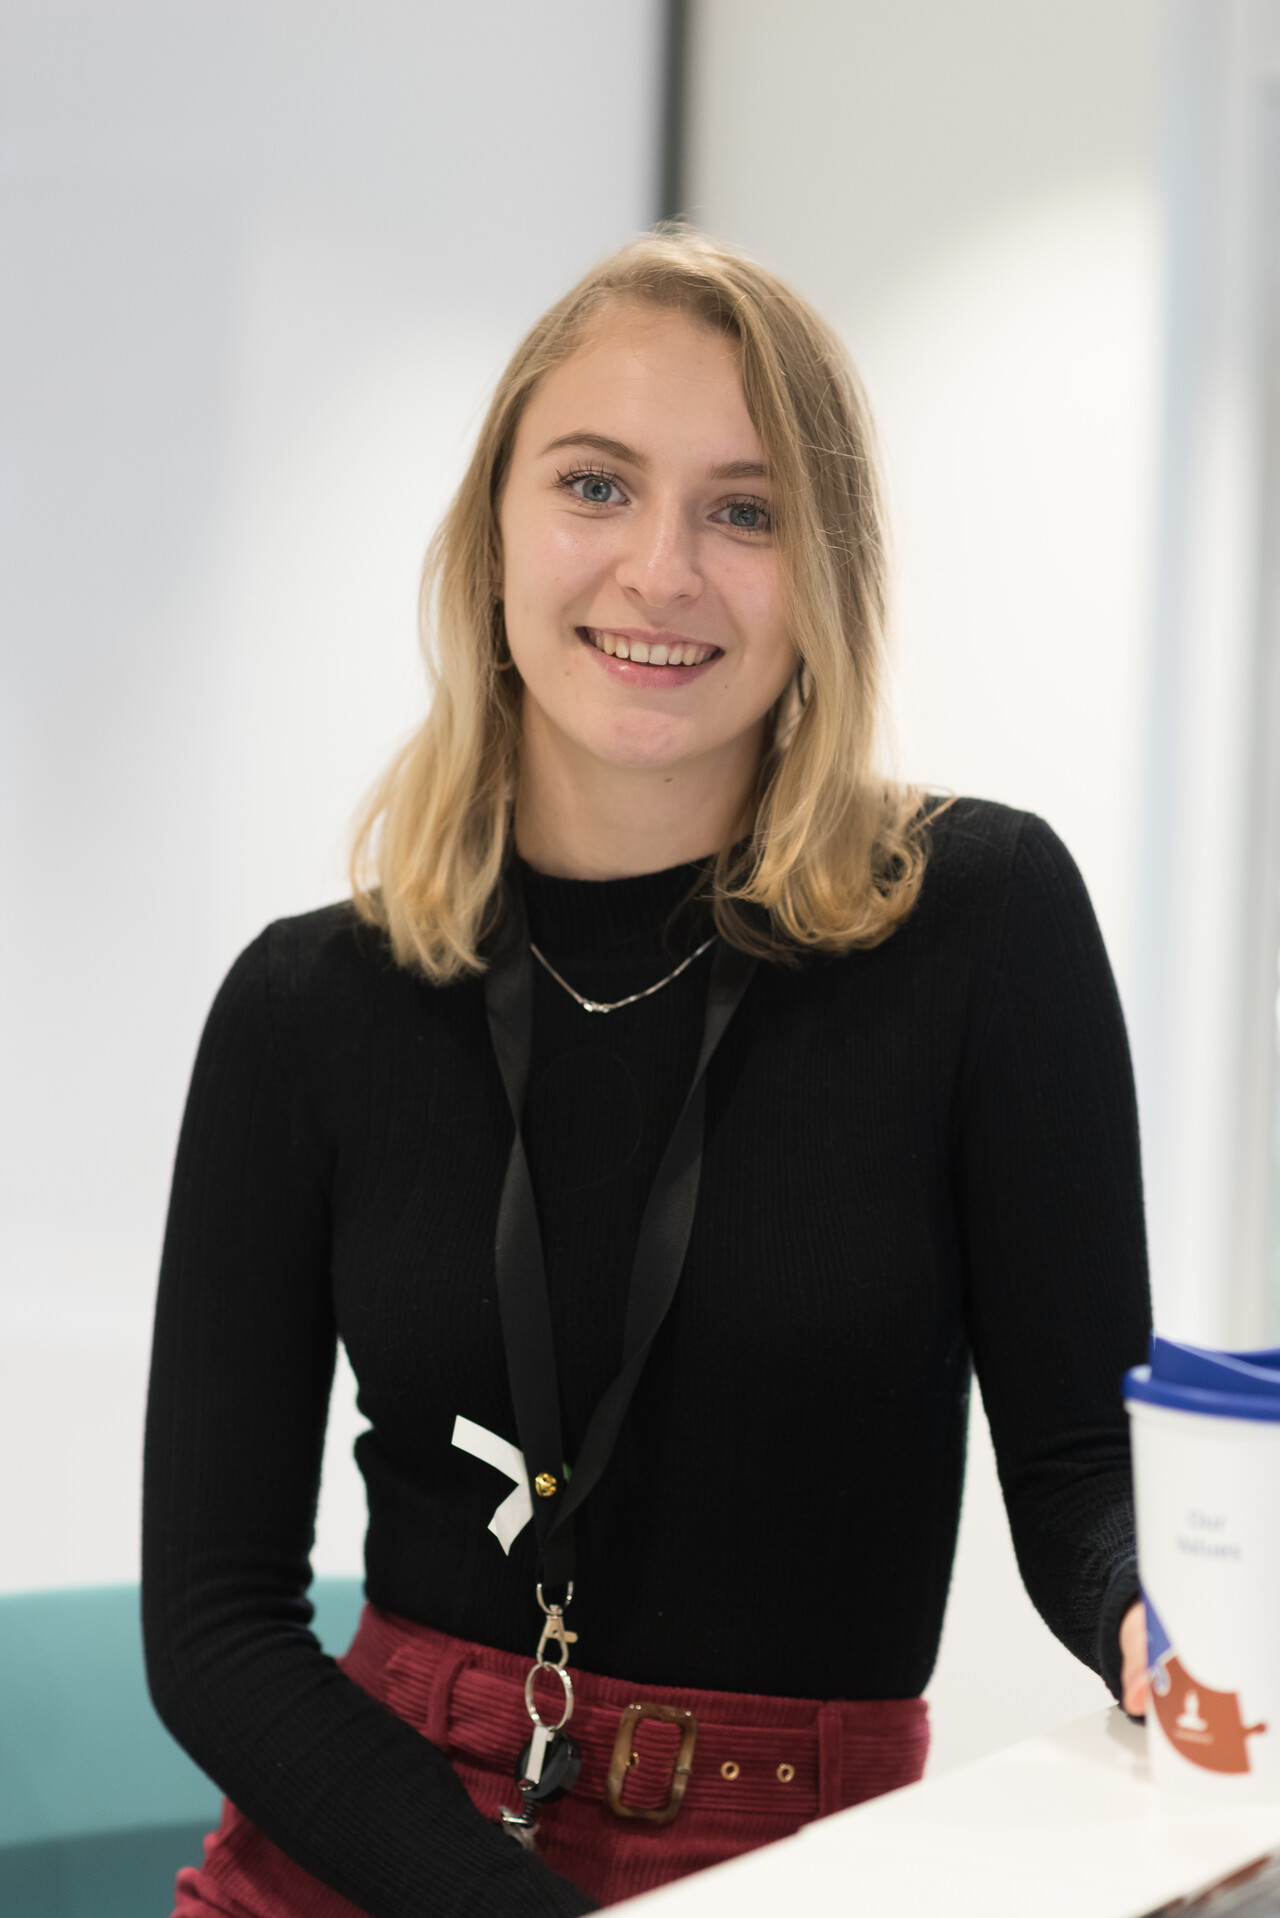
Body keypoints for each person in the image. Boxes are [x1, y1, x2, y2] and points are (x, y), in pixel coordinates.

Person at [143, 229, 1152, 1918]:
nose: (662, 569)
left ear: (824, 572)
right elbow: (213, 1619)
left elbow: (1078, 1467)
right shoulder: (308, 1005)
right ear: (493, 538)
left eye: (745, 511)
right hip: (373, 1850)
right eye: (596, 485)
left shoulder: (980, 923)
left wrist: (1162, 1615)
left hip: (797, 1859)